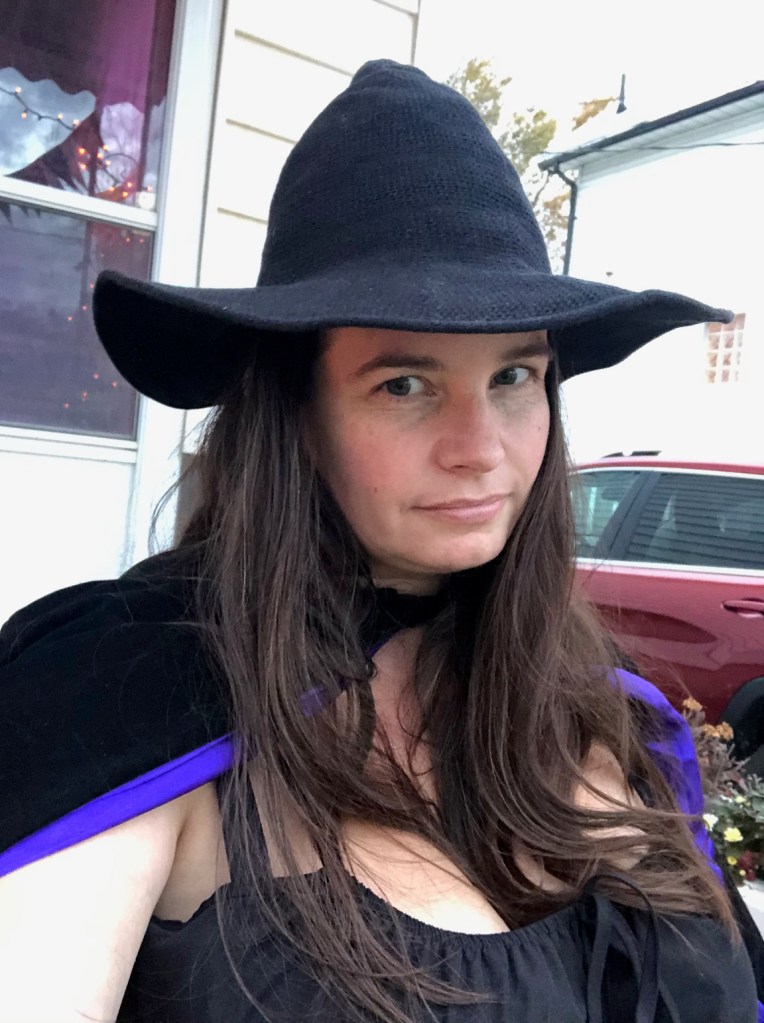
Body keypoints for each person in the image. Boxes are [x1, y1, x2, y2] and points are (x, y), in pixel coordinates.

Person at [0, 59, 761, 1023]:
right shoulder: (130, 694)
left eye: (514, 377)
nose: (480, 449)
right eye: (405, 384)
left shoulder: (607, 719)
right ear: (297, 410)